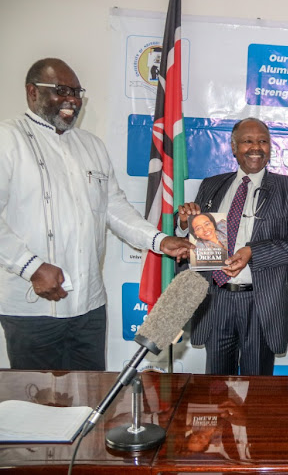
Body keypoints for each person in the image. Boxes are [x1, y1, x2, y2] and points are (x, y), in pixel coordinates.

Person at [0, 58, 192, 371]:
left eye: (77, 92)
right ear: (32, 92)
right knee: (36, 409)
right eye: (61, 90)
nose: (72, 100)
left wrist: (160, 241)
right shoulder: (7, 139)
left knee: (90, 399)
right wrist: (31, 266)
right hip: (31, 308)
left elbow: (115, 210)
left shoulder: (91, 145)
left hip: (89, 307)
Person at [177, 117, 288, 376]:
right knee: (215, 387)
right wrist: (184, 224)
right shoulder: (211, 185)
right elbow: (197, 239)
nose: (256, 148)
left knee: (258, 390)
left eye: (263, 141)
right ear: (233, 147)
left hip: (262, 301)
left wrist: (253, 252)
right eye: (247, 141)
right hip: (216, 299)